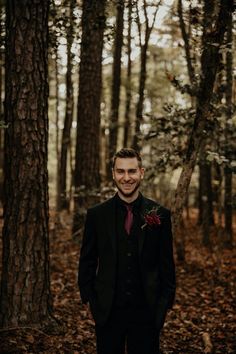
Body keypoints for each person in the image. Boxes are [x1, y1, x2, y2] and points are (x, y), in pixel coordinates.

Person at [78, 148, 176, 354]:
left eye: (132, 171)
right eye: (121, 171)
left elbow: (166, 264)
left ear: (141, 172)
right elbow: (87, 261)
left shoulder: (159, 214)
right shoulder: (97, 215)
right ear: (113, 174)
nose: (126, 177)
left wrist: (162, 307)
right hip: (108, 312)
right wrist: (91, 301)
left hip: (147, 312)